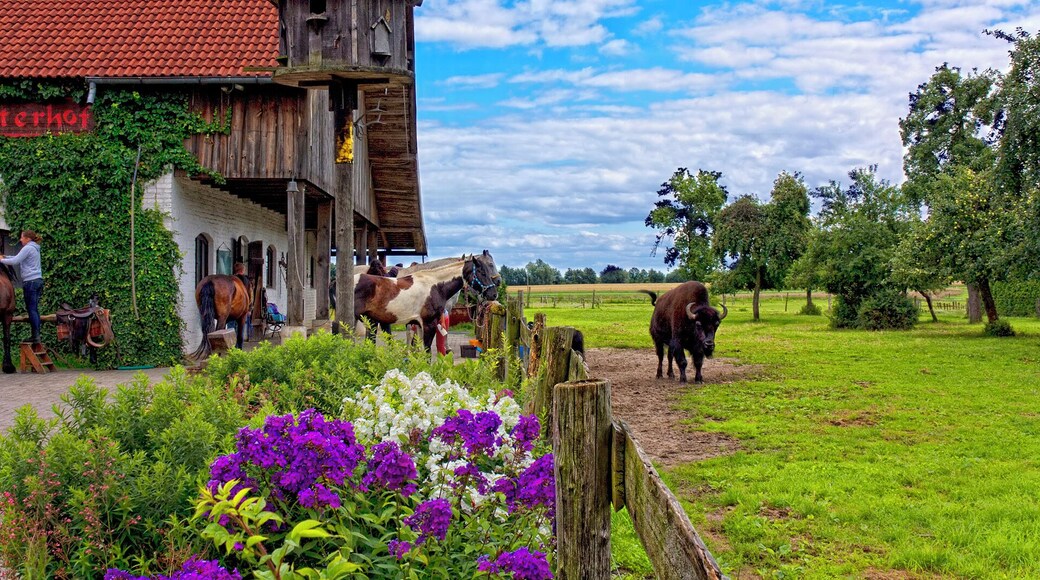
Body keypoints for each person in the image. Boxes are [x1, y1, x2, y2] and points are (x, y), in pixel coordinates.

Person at [1, 230, 44, 344]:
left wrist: (1, 260)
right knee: (34, 309)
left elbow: (15, 261)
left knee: (32, 310)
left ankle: (35, 337)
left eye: (22, 237)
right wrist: (4, 256)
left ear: (28, 238)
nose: (20, 240)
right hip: (37, 280)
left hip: (30, 282)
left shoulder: (28, 248)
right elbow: (17, 257)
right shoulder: (34, 248)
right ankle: (36, 335)